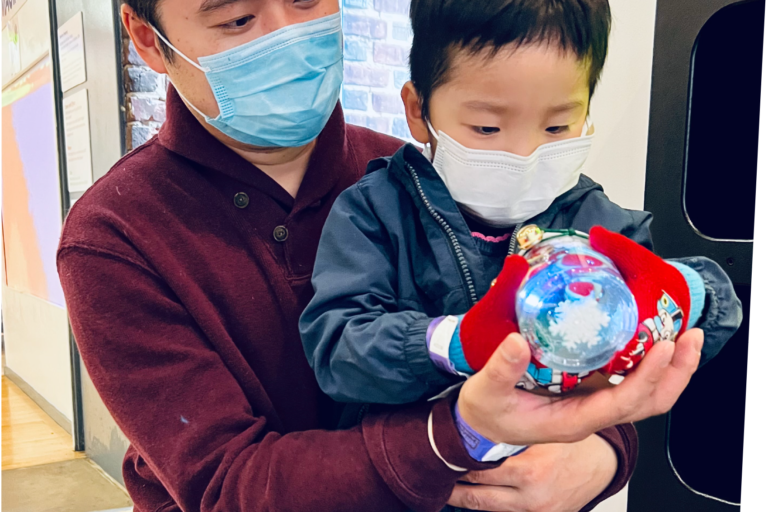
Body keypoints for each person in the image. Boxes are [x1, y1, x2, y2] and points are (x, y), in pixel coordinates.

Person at [58, 1, 713, 511]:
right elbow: (227, 484)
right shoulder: (114, 237)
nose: (289, 33)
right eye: (236, 18)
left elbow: (566, 337)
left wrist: (602, 451)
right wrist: (456, 434)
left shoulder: (424, 181)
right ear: (148, 39)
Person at [300, 0, 743, 509]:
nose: (524, 154)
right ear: (419, 111)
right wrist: (457, 343)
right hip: (411, 489)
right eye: (487, 128)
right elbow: (337, 349)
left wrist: (684, 292)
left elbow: (713, 314)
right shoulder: (375, 212)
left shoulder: (598, 224)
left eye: (556, 128)